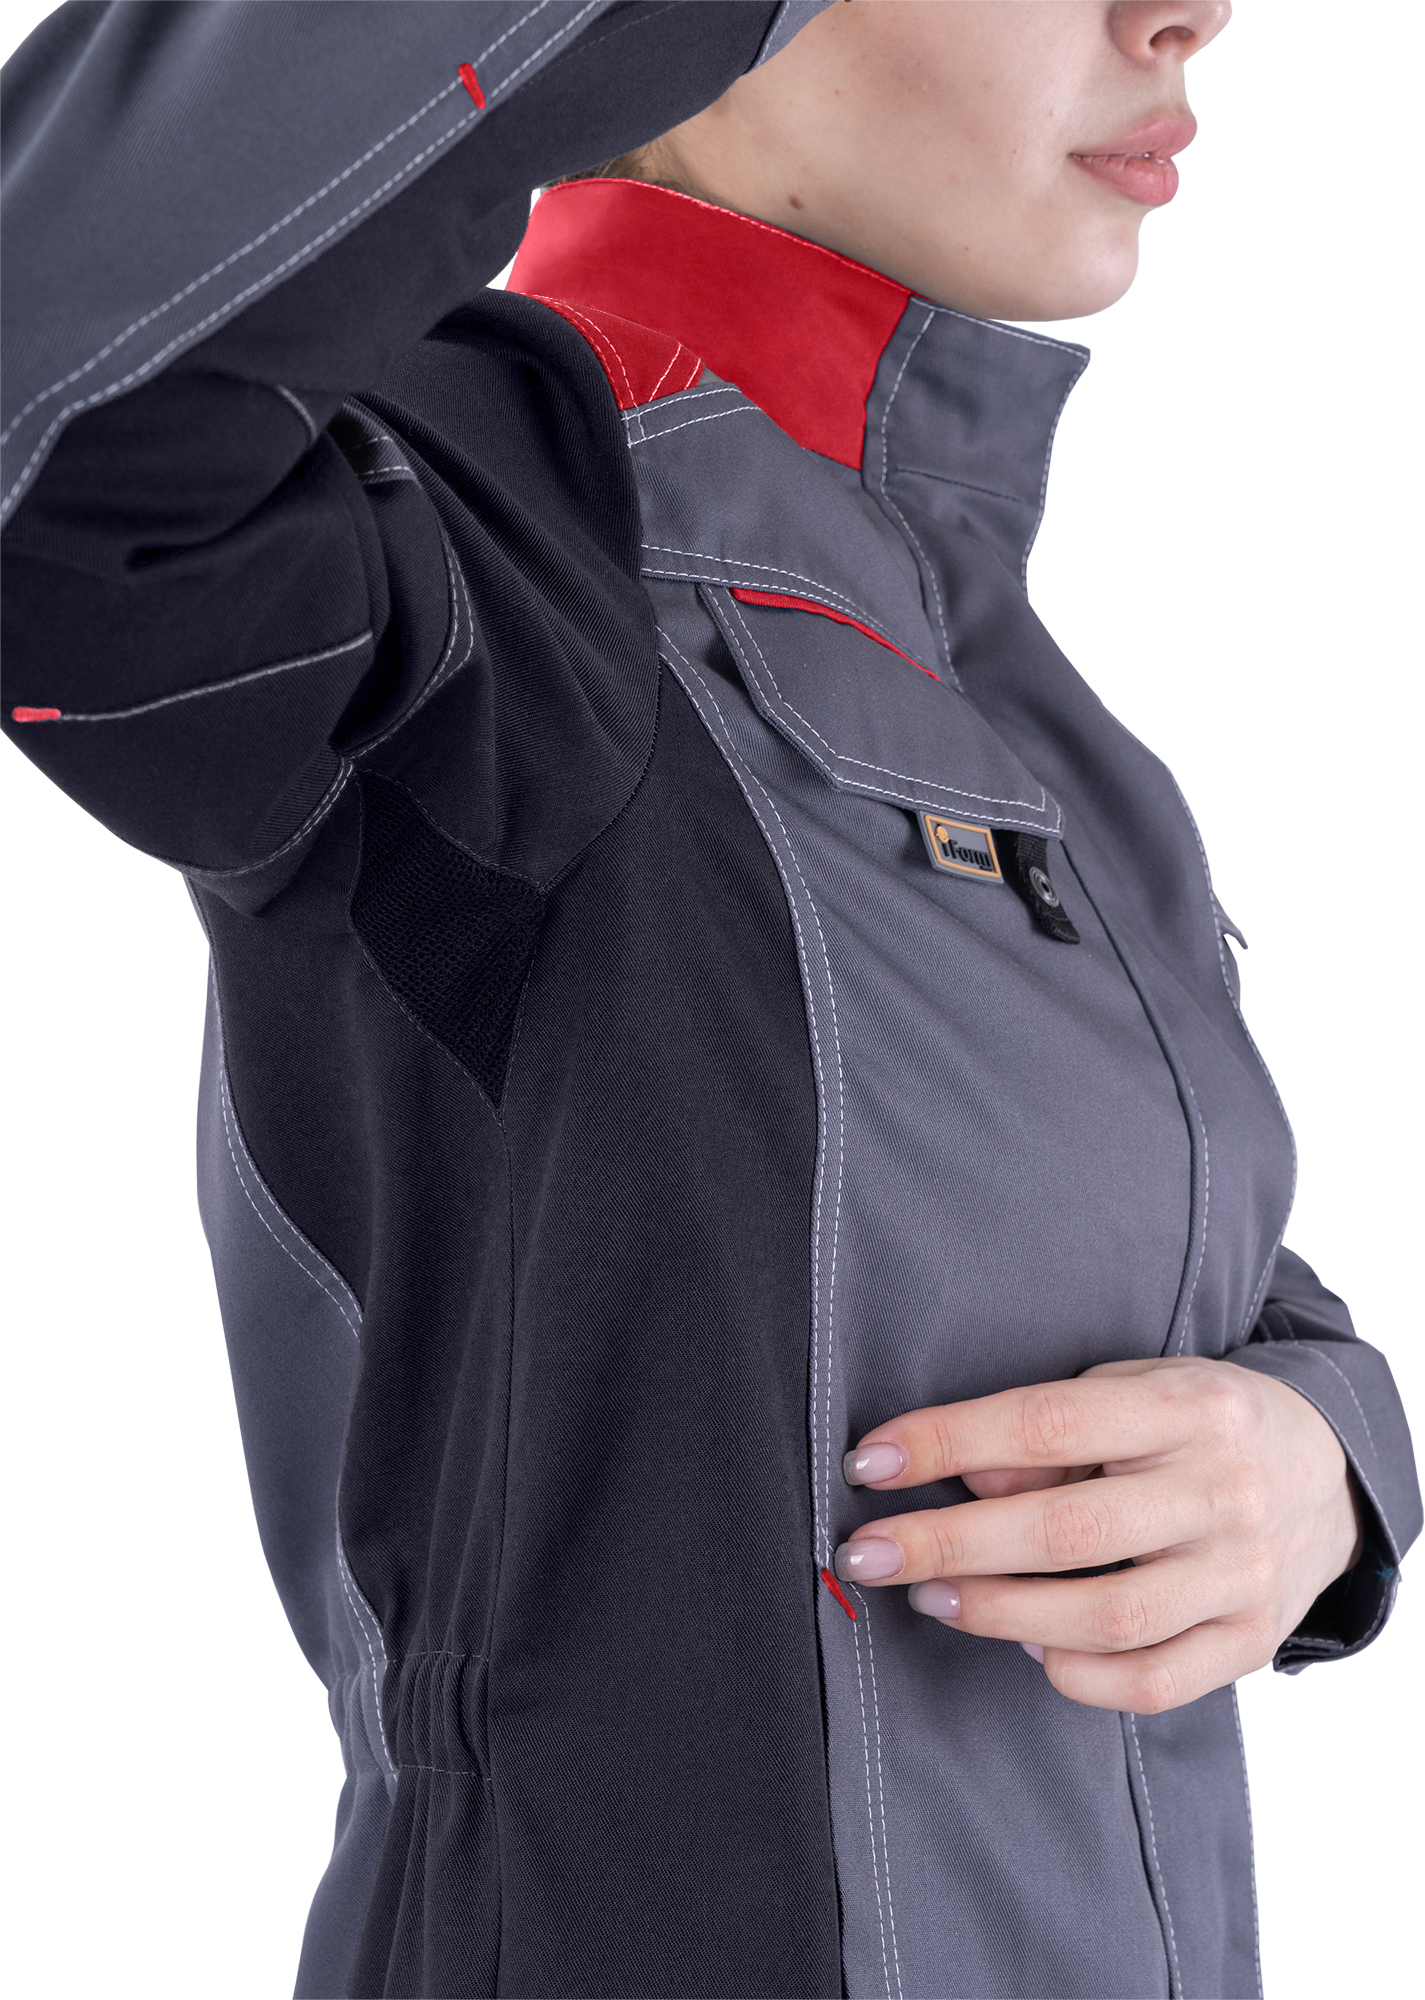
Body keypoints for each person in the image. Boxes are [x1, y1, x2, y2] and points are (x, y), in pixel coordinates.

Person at [0, 1, 1419, 1996]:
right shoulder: (476, 536)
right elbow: (50, 451)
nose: (1181, 16)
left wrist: (1321, 1459)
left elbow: (1215, 1273)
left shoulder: (1037, 702)